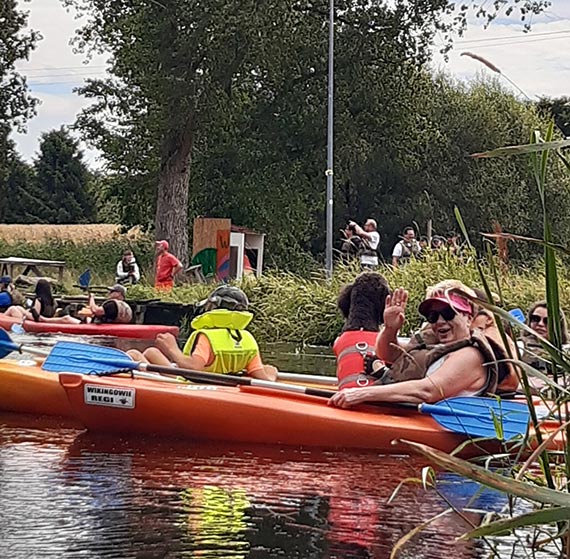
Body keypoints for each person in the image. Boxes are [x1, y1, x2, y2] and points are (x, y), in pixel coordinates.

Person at [328, 288, 502, 408]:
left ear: (469, 318)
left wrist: (362, 394)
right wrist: (390, 328)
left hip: (436, 425)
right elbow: (387, 355)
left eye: (448, 313)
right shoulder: (439, 345)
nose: (440, 321)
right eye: (433, 316)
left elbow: (428, 391)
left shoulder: (471, 355)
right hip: (412, 413)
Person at [128, 286, 278, 380]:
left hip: (189, 384)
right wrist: (272, 372)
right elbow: (263, 378)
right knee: (151, 352)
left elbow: (194, 367)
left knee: (134, 354)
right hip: (220, 383)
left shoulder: (208, 337)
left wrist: (172, 349)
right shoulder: (247, 339)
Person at [521, 300, 569, 373]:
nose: (540, 324)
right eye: (536, 319)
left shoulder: (566, 350)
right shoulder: (519, 347)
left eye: (547, 321)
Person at [3, 279, 80, 324]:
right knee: (17, 308)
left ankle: (2, 320)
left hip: (39, 318)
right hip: (46, 317)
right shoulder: (52, 300)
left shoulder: (39, 299)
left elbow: (36, 316)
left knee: (13, 308)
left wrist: (28, 312)